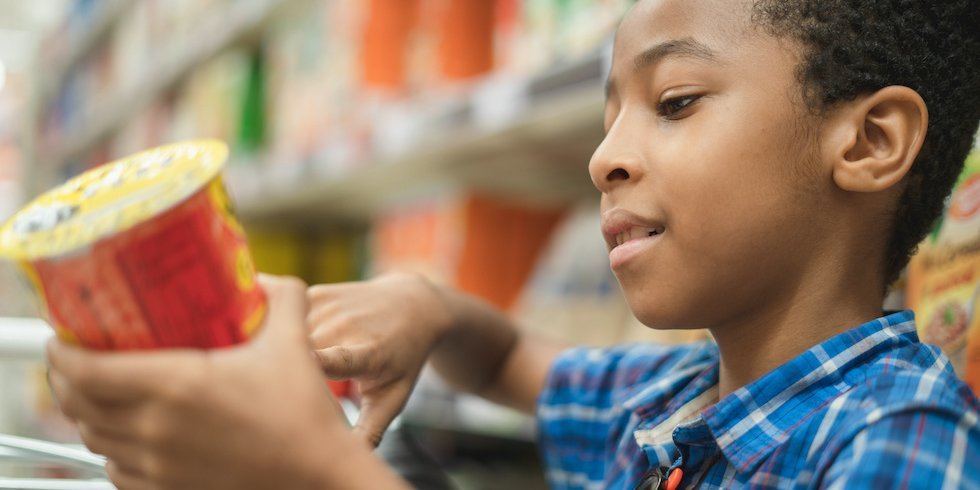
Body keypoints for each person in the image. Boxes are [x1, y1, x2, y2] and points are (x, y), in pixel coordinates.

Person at [47, 0, 980, 488]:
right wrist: (431, 308)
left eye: (676, 103)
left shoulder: (895, 439)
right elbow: (511, 359)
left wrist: (309, 471)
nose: (605, 159)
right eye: (609, 118)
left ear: (866, 142)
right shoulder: (678, 397)